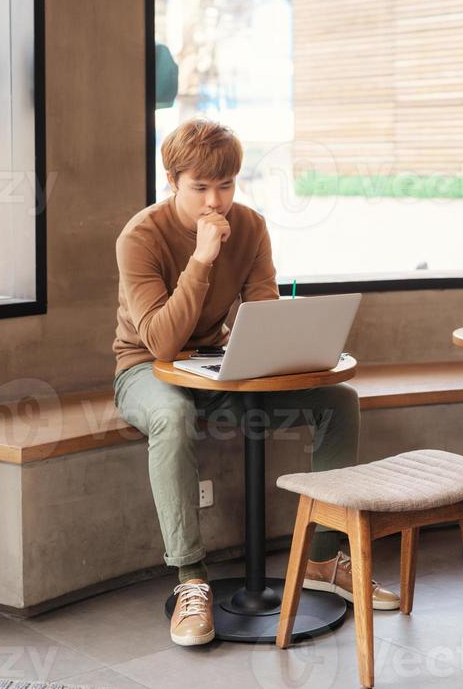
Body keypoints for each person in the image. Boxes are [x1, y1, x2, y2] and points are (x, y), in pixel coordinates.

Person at [112, 119, 398, 648]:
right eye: (200, 187)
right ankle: (190, 580)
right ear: (172, 180)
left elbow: (263, 311)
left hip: (215, 369)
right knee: (172, 418)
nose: (214, 201)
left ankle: (323, 558)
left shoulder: (251, 226)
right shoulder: (141, 237)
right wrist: (201, 258)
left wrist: (280, 344)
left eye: (225, 185)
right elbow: (160, 344)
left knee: (338, 400)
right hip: (143, 371)